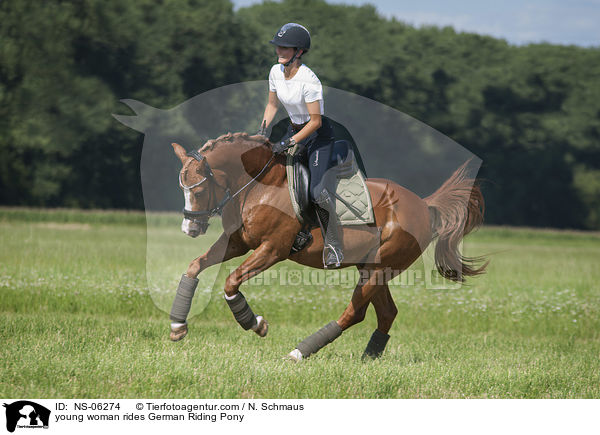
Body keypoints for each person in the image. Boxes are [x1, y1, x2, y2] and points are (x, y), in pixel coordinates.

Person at [259, 22, 343, 269]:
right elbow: (272, 105)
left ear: (299, 51)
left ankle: (334, 245)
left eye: (285, 48)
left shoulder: (309, 80)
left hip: (318, 136)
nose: (280, 51)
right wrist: (262, 130)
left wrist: (290, 141)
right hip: (293, 130)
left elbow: (315, 121)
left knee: (317, 192)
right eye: (278, 47)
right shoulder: (275, 71)